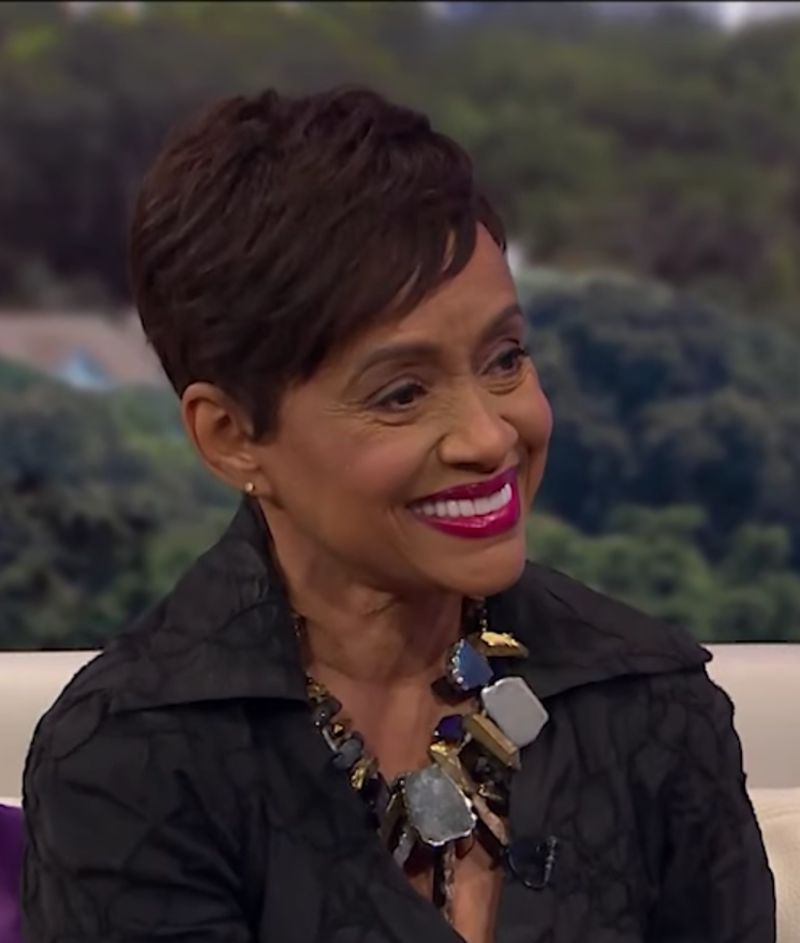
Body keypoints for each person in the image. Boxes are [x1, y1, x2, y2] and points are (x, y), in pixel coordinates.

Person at [20, 86, 774, 943]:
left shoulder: (650, 702)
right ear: (231, 436)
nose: (490, 436)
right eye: (402, 393)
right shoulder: (130, 763)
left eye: (505, 358)